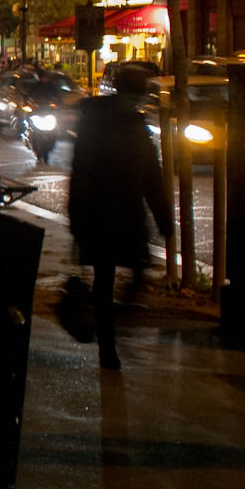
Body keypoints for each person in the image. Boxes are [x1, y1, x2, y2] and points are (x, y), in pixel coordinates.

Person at [67, 66, 173, 371]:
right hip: (102, 214)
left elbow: (151, 176)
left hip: (125, 214)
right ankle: (108, 346)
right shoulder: (101, 124)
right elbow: (82, 174)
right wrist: (78, 221)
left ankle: (113, 329)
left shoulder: (135, 126)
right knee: (105, 280)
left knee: (137, 271)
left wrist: (164, 218)